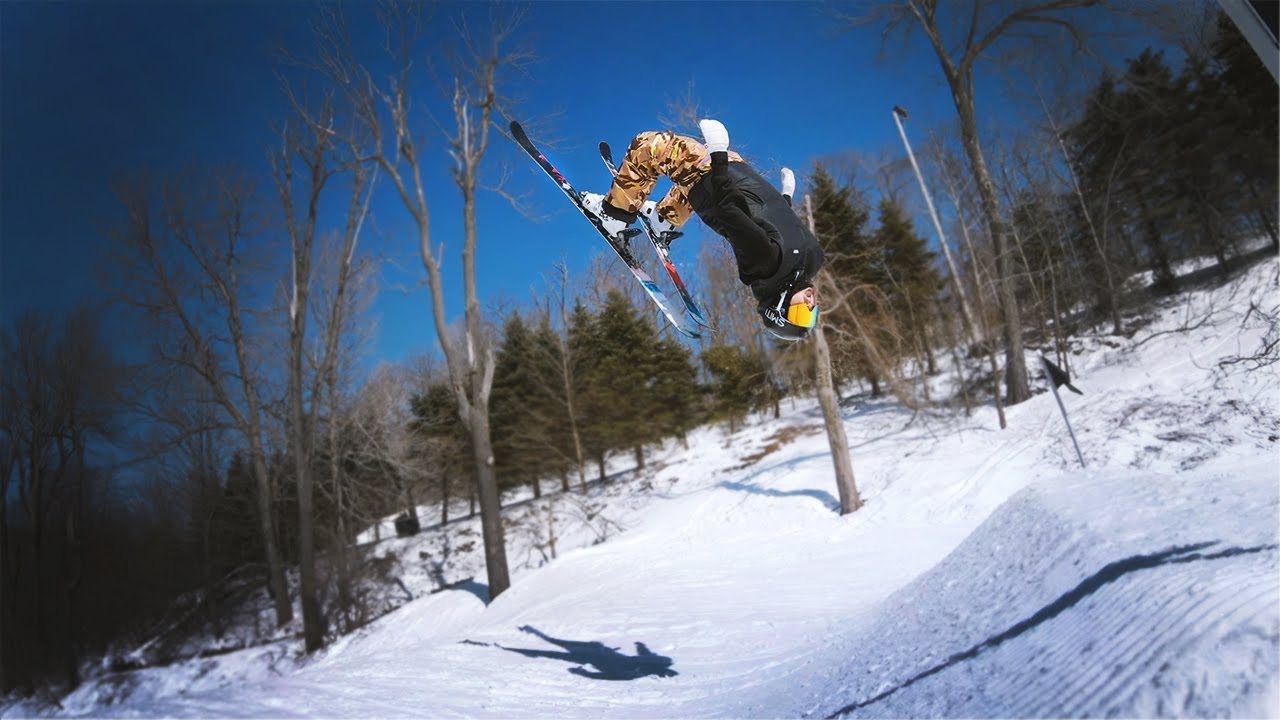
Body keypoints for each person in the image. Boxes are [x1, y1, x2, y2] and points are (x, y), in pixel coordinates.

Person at [581, 119, 824, 341]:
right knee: (692, 182)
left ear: (778, 309)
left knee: (649, 146)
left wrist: (717, 157)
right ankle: (664, 220)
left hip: (715, 178)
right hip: (734, 173)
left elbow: (729, 211)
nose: (812, 305)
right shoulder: (810, 262)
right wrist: (785, 199)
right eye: (812, 315)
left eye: (803, 314)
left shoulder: (765, 264)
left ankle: (614, 215)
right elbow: (774, 223)